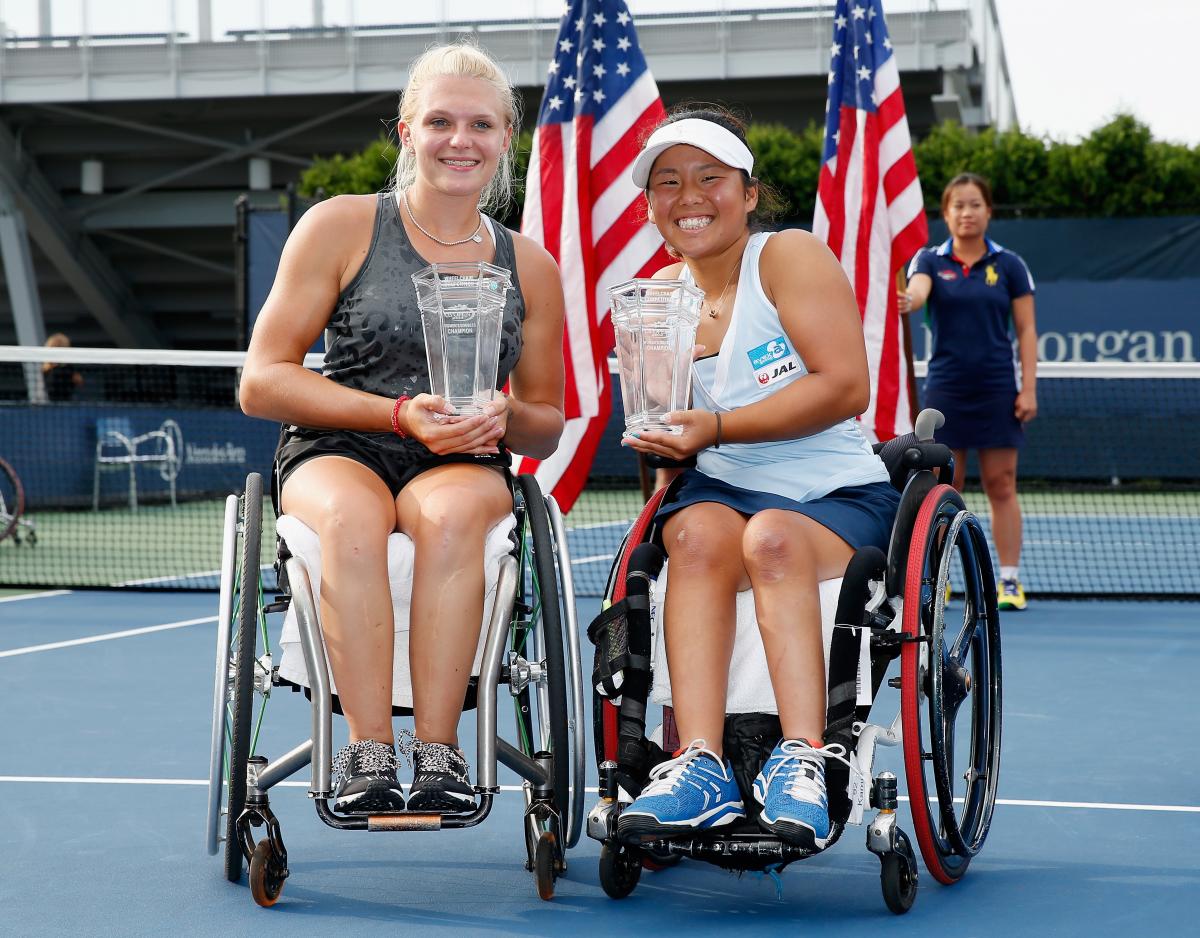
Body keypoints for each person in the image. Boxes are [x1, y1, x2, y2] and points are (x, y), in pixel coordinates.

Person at [239, 42, 565, 814]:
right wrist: (393, 414)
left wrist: (504, 415)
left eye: (481, 124)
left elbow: (546, 424)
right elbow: (262, 381)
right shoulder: (340, 226)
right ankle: (367, 751)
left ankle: (442, 752)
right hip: (341, 444)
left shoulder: (532, 265)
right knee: (354, 518)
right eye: (441, 121)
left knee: (452, 519)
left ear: (506, 139)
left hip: (462, 458)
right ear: (406, 132)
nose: (461, 139)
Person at [616, 107, 900, 852]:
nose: (688, 196)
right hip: (720, 487)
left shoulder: (787, 256)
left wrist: (715, 427)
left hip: (834, 491)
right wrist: (664, 433)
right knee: (696, 536)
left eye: (710, 178)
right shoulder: (655, 297)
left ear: (748, 192)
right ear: (651, 206)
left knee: (771, 539)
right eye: (667, 182)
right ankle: (699, 763)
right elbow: (674, 438)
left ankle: (806, 757)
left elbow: (844, 386)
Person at [899, 172, 1037, 611]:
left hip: (998, 388)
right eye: (958, 205)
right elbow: (918, 293)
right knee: (944, 485)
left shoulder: (1011, 265)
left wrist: (1028, 388)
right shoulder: (928, 261)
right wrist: (908, 300)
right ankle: (939, 579)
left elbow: (1027, 329)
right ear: (946, 213)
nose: (967, 213)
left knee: (1001, 483)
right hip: (947, 390)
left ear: (989, 211)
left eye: (975, 204)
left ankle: (1010, 581)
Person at [42, 333, 83, 402]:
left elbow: (79, 382)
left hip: (68, 401)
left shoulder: (69, 367)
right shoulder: (48, 368)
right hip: (53, 402)